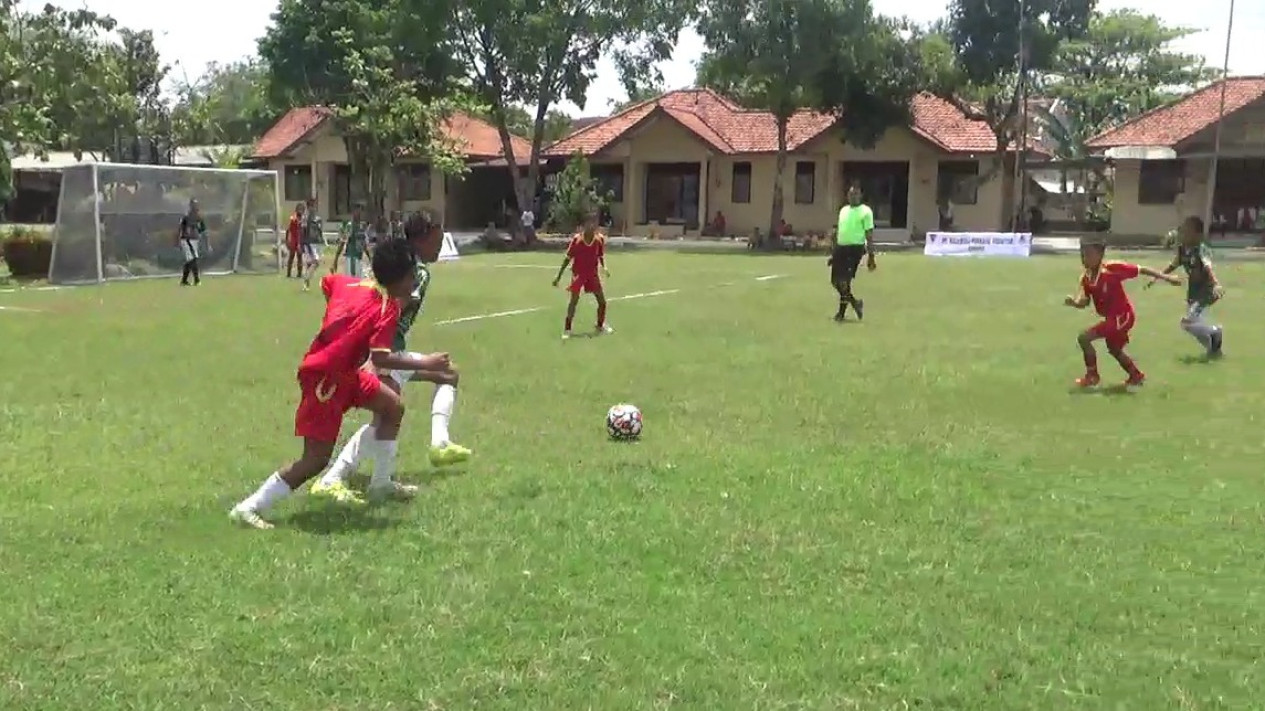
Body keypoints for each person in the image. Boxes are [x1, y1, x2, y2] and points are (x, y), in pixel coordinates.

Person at [229, 239, 447, 530]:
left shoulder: (350, 284)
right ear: (398, 280)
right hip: (325, 381)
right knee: (315, 460)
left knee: (392, 407)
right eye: (411, 278)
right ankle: (248, 508)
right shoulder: (387, 309)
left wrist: (341, 325)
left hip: (345, 374)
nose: (414, 286)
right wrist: (427, 363)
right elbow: (381, 357)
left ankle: (381, 484)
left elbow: (327, 284)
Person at [311, 212, 472, 503]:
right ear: (422, 238)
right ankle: (335, 477)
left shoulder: (399, 262)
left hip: (385, 348)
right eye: (436, 239)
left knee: (447, 374)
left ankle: (436, 445)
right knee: (386, 415)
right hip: (386, 351)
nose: (439, 246)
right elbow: (391, 303)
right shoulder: (416, 271)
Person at [1065, 240, 1180, 388]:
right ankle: (1136, 375)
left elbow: (1141, 269)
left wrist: (1167, 278)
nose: (1084, 258)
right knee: (1114, 348)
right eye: (1082, 255)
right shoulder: (1086, 278)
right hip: (1113, 318)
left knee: (1084, 338)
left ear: (1100, 255)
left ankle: (1092, 376)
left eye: (1088, 255)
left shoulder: (1112, 269)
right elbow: (1085, 302)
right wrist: (1074, 303)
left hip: (1123, 316)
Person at [1150, 215, 1225, 357]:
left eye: (1187, 230)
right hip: (1193, 293)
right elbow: (1173, 265)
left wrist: (1216, 284)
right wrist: (1159, 276)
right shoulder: (1182, 250)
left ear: (1198, 235)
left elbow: (1208, 267)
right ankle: (1213, 348)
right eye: (1183, 230)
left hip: (1206, 293)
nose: (1183, 233)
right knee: (1193, 326)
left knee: (1188, 323)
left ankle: (1215, 332)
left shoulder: (1201, 249)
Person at [552, 213, 612, 339]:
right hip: (578, 274)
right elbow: (567, 259)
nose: (592, 226)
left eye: (594, 223)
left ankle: (600, 325)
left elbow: (600, 256)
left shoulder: (599, 239)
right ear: (584, 225)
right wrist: (558, 276)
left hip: (592, 274)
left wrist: (604, 267)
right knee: (573, 301)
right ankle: (567, 329)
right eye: (589, 223)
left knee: (602, 302)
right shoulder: (577, 240)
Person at [829, 185, 877, 321]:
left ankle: (841, 314)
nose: (852, 197)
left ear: (860, 195)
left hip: (855, 248)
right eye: (850, 194)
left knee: (844, 281)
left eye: (855, 194)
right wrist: (833, 252)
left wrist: (871, 257)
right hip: (841, 248)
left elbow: (869, 235)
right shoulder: (843, 210)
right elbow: (840, 230)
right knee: (835, 281)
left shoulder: (866, 211)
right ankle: (856, 303)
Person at [177, 199, 208, 286]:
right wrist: (179, 240)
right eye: (193, 205)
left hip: (194, 240)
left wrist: (205, 240)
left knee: (190, 260)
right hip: (187, 240)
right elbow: (181, 229)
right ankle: (196, 280)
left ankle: (184, 280)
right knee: (193, 259)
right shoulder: (187, 217)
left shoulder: (199, 217)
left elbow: (203, 230)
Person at [332, 203, 368, 278]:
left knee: (359, 282)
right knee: (352, 281)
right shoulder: (350, 226)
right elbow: (342, 242)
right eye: (357, 211)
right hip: (351, 258)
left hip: (359, 257)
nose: (359, 213)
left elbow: (363, 244)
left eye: (360, 211)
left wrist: (369, 257)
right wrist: (336, 259)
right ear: (353, 212)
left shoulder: (361, 226)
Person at [301, 198, 323, 291]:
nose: (314, 208)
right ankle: (306, 278)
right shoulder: (306, 218)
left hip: (316, 243)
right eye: (312, 206)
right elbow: (303, 231)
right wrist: (304, 244)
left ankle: (306, 284)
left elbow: (319, 231)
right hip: (309, 243)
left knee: (310, 264)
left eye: (314, 206)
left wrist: (321, 239)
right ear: (309, 207)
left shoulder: (317, 218)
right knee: (315, 262)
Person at [285, 202, 305, 278]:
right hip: (293, 239)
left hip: (300, 239)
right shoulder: (293, 218)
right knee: (291, 256)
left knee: (300, 257)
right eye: (299, 209)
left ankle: (299, 274)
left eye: (302, 209)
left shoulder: (303, 219)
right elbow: (288, 230)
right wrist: (287, 240)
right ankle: (288, 273)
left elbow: (303, 230)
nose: (300, 211)